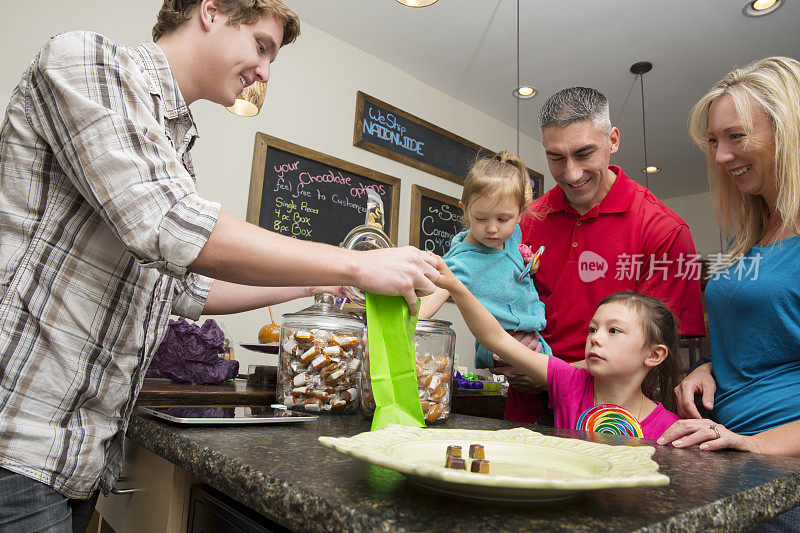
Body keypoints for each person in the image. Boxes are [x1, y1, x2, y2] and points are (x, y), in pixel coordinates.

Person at [0, 1, 438, 531]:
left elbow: (187, 289)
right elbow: (169, 222)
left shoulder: (174, 148)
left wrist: (318, 278)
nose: (264, 73)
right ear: (211, 10)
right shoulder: (87, 62)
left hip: (81, 457)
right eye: (260, 46)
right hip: (17, 440)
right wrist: (355, 266)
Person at [495, 87, 706, 424]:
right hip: (526, 415)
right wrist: (507, 357)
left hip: (614, 423)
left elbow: (657, 351)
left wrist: (547, 373)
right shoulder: (525, 220)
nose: (571, 173)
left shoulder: (664, 230)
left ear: (613, 140)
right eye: (556, 158)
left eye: (584, 153)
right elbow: (503, 306)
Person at [660, 56, 800, 459]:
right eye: (714, 141)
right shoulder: (753, 237)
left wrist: (756, 444)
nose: (721, 157)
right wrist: (710, 368)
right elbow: (760, 341)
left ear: (787, 132)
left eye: (736, 136)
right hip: (732, 452)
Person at [435, 254, 681, 440]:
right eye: (593, 329)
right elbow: (496, 338)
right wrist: (457, 288)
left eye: (613, 330)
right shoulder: (569, 382)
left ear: (654, 354)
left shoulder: (671, 428)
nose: (595, 338)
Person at [419, 151, 551, 368]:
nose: (492, 229)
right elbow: (426, 306)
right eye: (480, 218)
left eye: (503, 219)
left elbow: (509, 263)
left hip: (536, 336)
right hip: (501, 348)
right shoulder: (461, 263)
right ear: (465, 210)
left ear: (520, 214)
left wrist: (530, 265)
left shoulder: (514, 233)